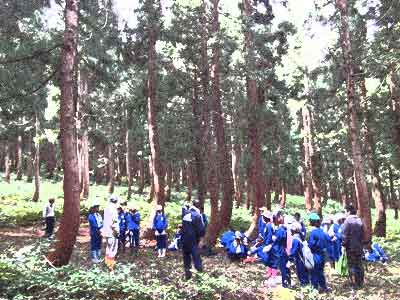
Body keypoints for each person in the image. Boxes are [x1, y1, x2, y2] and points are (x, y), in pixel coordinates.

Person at [342, 204, 365, 289]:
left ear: (348, 211)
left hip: (350, 248)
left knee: (351, 265)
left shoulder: (347, 221)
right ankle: (360, 283)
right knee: (359, 265)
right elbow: (363, 234)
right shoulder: (359, 220)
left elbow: (344, 235)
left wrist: (343, 244)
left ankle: (353, 284)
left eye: (345, 212)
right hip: (359, 247)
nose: (345, 214)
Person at [181, 200, 206, 279]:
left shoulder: (185, 213)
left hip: (184, 240)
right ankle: (200, 277)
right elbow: (201, 230)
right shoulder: (197, 215)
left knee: (186, 258)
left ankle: (187, 276)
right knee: (196, 258)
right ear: (199, 207)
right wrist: (201, 240)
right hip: (193, 240)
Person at [307, 212, 329, 292]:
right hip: (322, 254)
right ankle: (323, 286)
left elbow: (311, 244)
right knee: (320, 271)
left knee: (314, 272)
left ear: (312, 222)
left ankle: (315, 288)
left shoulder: (313, 233)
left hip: (315, 255)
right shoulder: (322, 231)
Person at [101, 195, 120, 271]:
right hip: (112, 233)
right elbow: (114, 223)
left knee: (108, 249)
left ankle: (106, 264)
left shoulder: (106, 208)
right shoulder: (113, 209)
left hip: (107, 232)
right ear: (116, 201)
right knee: (112, 250)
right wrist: (117, 232)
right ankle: (111, 268)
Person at [289, 222, 309, 286]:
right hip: (303, 259)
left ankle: (304, 287)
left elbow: (293, 251)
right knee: (305, 275)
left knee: (301, 275)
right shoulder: (300, 237)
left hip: (300, 260)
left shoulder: (295, 240)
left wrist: (290, 259)